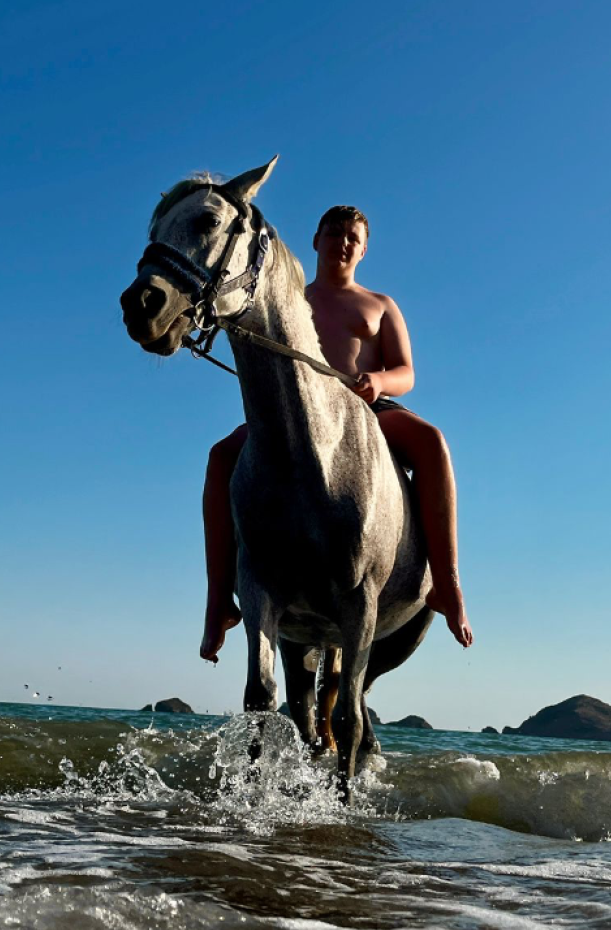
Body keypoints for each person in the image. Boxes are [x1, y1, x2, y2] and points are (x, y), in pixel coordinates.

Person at [200, 205, 472, 662]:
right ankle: (218, 603)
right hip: (297, 416)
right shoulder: (290, 300)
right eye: (334, 233)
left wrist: (379, 382)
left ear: (363, 250)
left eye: (353, 237)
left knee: (432, 442)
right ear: (316, 240)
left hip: (369, 410)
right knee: (221, 455)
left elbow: (406, 371)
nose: (343, 242)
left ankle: (446, 585)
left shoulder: (380, 305)